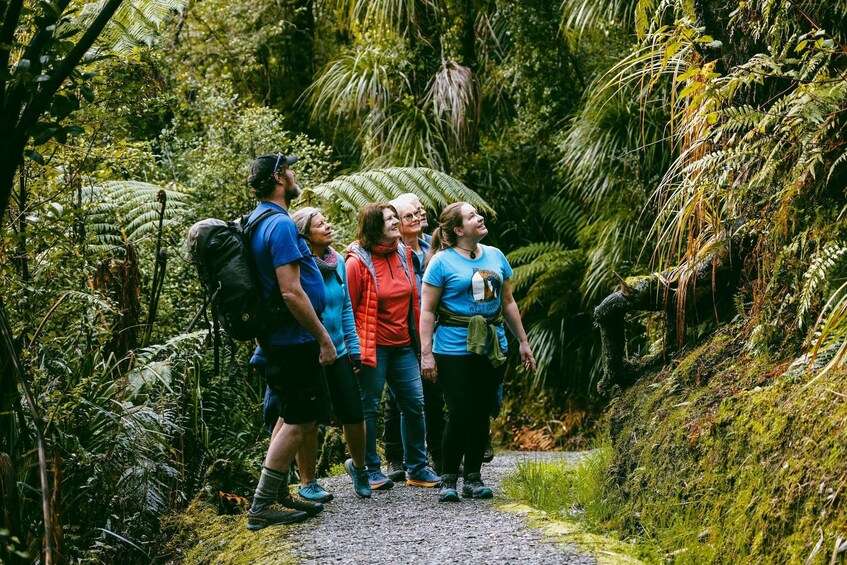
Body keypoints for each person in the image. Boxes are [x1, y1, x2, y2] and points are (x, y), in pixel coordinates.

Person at [244, 152, 337, 531]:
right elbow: (291, 292)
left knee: (288, 413)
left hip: (278, 338)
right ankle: (262, 504)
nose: (296, 175)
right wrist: (323, 338)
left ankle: (279, 493)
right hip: (294, 338)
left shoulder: (257, 220)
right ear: (281, 177)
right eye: (291, 169)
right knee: (301, 420)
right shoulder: (280, 225)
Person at [419, 202, 537, 502]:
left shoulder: (495, 255)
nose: (480, 217)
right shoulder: (441, 262)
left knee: (481, 413)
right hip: (453, 347)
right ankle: (448, 478)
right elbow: (427, 311)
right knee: (459, 412)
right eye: (472, 216)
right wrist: (426, 353)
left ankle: (473, 477)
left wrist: (523, 341)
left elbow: (508, 303)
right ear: (458, 230)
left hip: (492, 345)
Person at [254, 206, 372, 503]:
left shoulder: (338, 263)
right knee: (306, 417)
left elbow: (345, 307)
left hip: (339, 348)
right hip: (308, 348)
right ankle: (308, 481)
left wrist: (353, 348)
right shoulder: (300, 266)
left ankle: (360, 468)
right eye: (321, 224)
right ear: (305, 233)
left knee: (353, 412)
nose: (328, 226)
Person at [346, 203, 441, 490]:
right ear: (374, 225)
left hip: (403, 345)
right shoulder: (356, 262)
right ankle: (370, 468)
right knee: (369, 408)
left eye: (394, 218)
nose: (396, 222)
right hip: (372, 347)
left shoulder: (404, 253)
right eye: (389, 219)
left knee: (414, 404)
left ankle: (417, 467)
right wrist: (352, 350)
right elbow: (347, 308)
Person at [381, 195, 446, 479]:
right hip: (401, 330)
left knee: (432, 393)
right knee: (399, 397)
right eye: (409, 215)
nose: (418, 217)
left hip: (436, 327)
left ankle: (437, 454)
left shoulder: (435, 246)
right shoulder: (389, 252)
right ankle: (396, 457)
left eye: (419, 211)